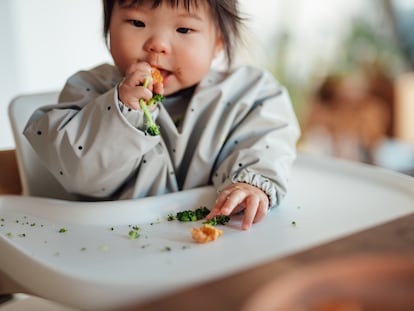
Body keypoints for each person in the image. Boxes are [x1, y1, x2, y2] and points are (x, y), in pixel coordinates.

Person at [24, 0, 300, 230]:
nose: (157, 45)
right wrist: (122, 110)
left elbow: (268, 138)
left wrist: (252, 182)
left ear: (217, 43)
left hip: (215, 240)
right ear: (109, 28)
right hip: (116, 243)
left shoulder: (246, 95)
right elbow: (78, 170)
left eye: (184, 28)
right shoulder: (87, 90)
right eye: (137, 23)